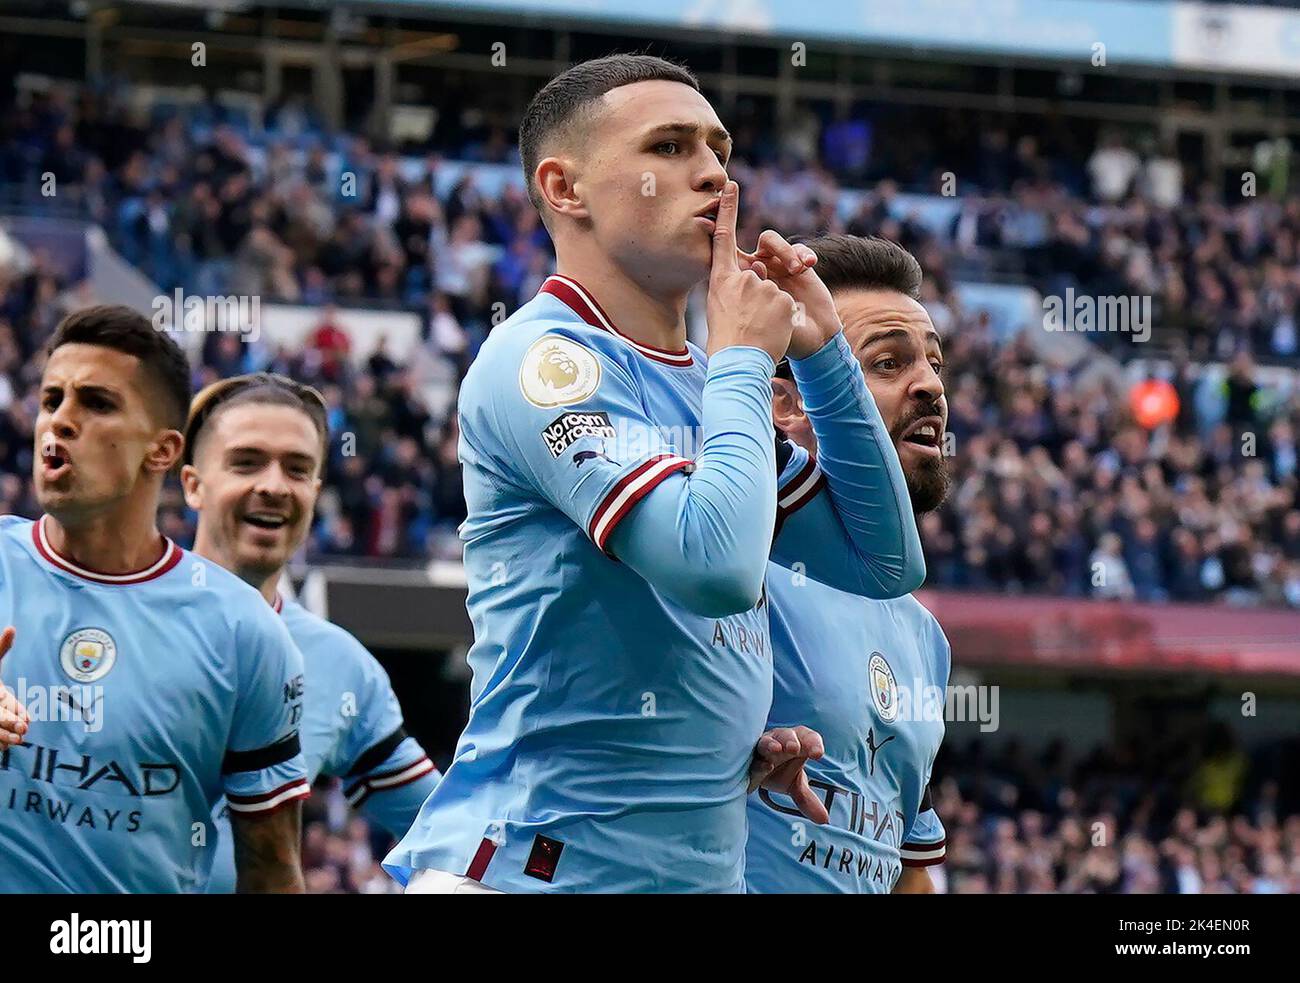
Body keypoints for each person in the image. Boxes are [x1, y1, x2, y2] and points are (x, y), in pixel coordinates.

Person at [385, 55, 923, 893]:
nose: (712, 172)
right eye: (669, 147)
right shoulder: (544, 357)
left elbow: (885, 564)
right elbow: (712, 570)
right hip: (535, 870)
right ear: (565, 189)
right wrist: (745, 356)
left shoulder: (705, 382)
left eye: (718, 147)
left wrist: (822, 359)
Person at [0, 305, 309, 892]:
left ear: (164, 451)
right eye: (50, 400)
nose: (59, 422)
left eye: (96, 403)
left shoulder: (242, 632)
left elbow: (271, 871)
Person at [180, 372, 441, 892]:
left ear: (315, 491)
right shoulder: (118, 617)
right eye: (246, 462)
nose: (274, 486)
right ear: (193, 484)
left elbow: (446, 835)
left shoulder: (343, 666)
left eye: (297, 469)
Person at [746, 236, 952, 894]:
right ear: (787, 405)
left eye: (934, 362)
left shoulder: (926, 639)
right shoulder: (730, 559)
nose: (931, 384)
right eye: (888, 362)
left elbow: (905, 868)